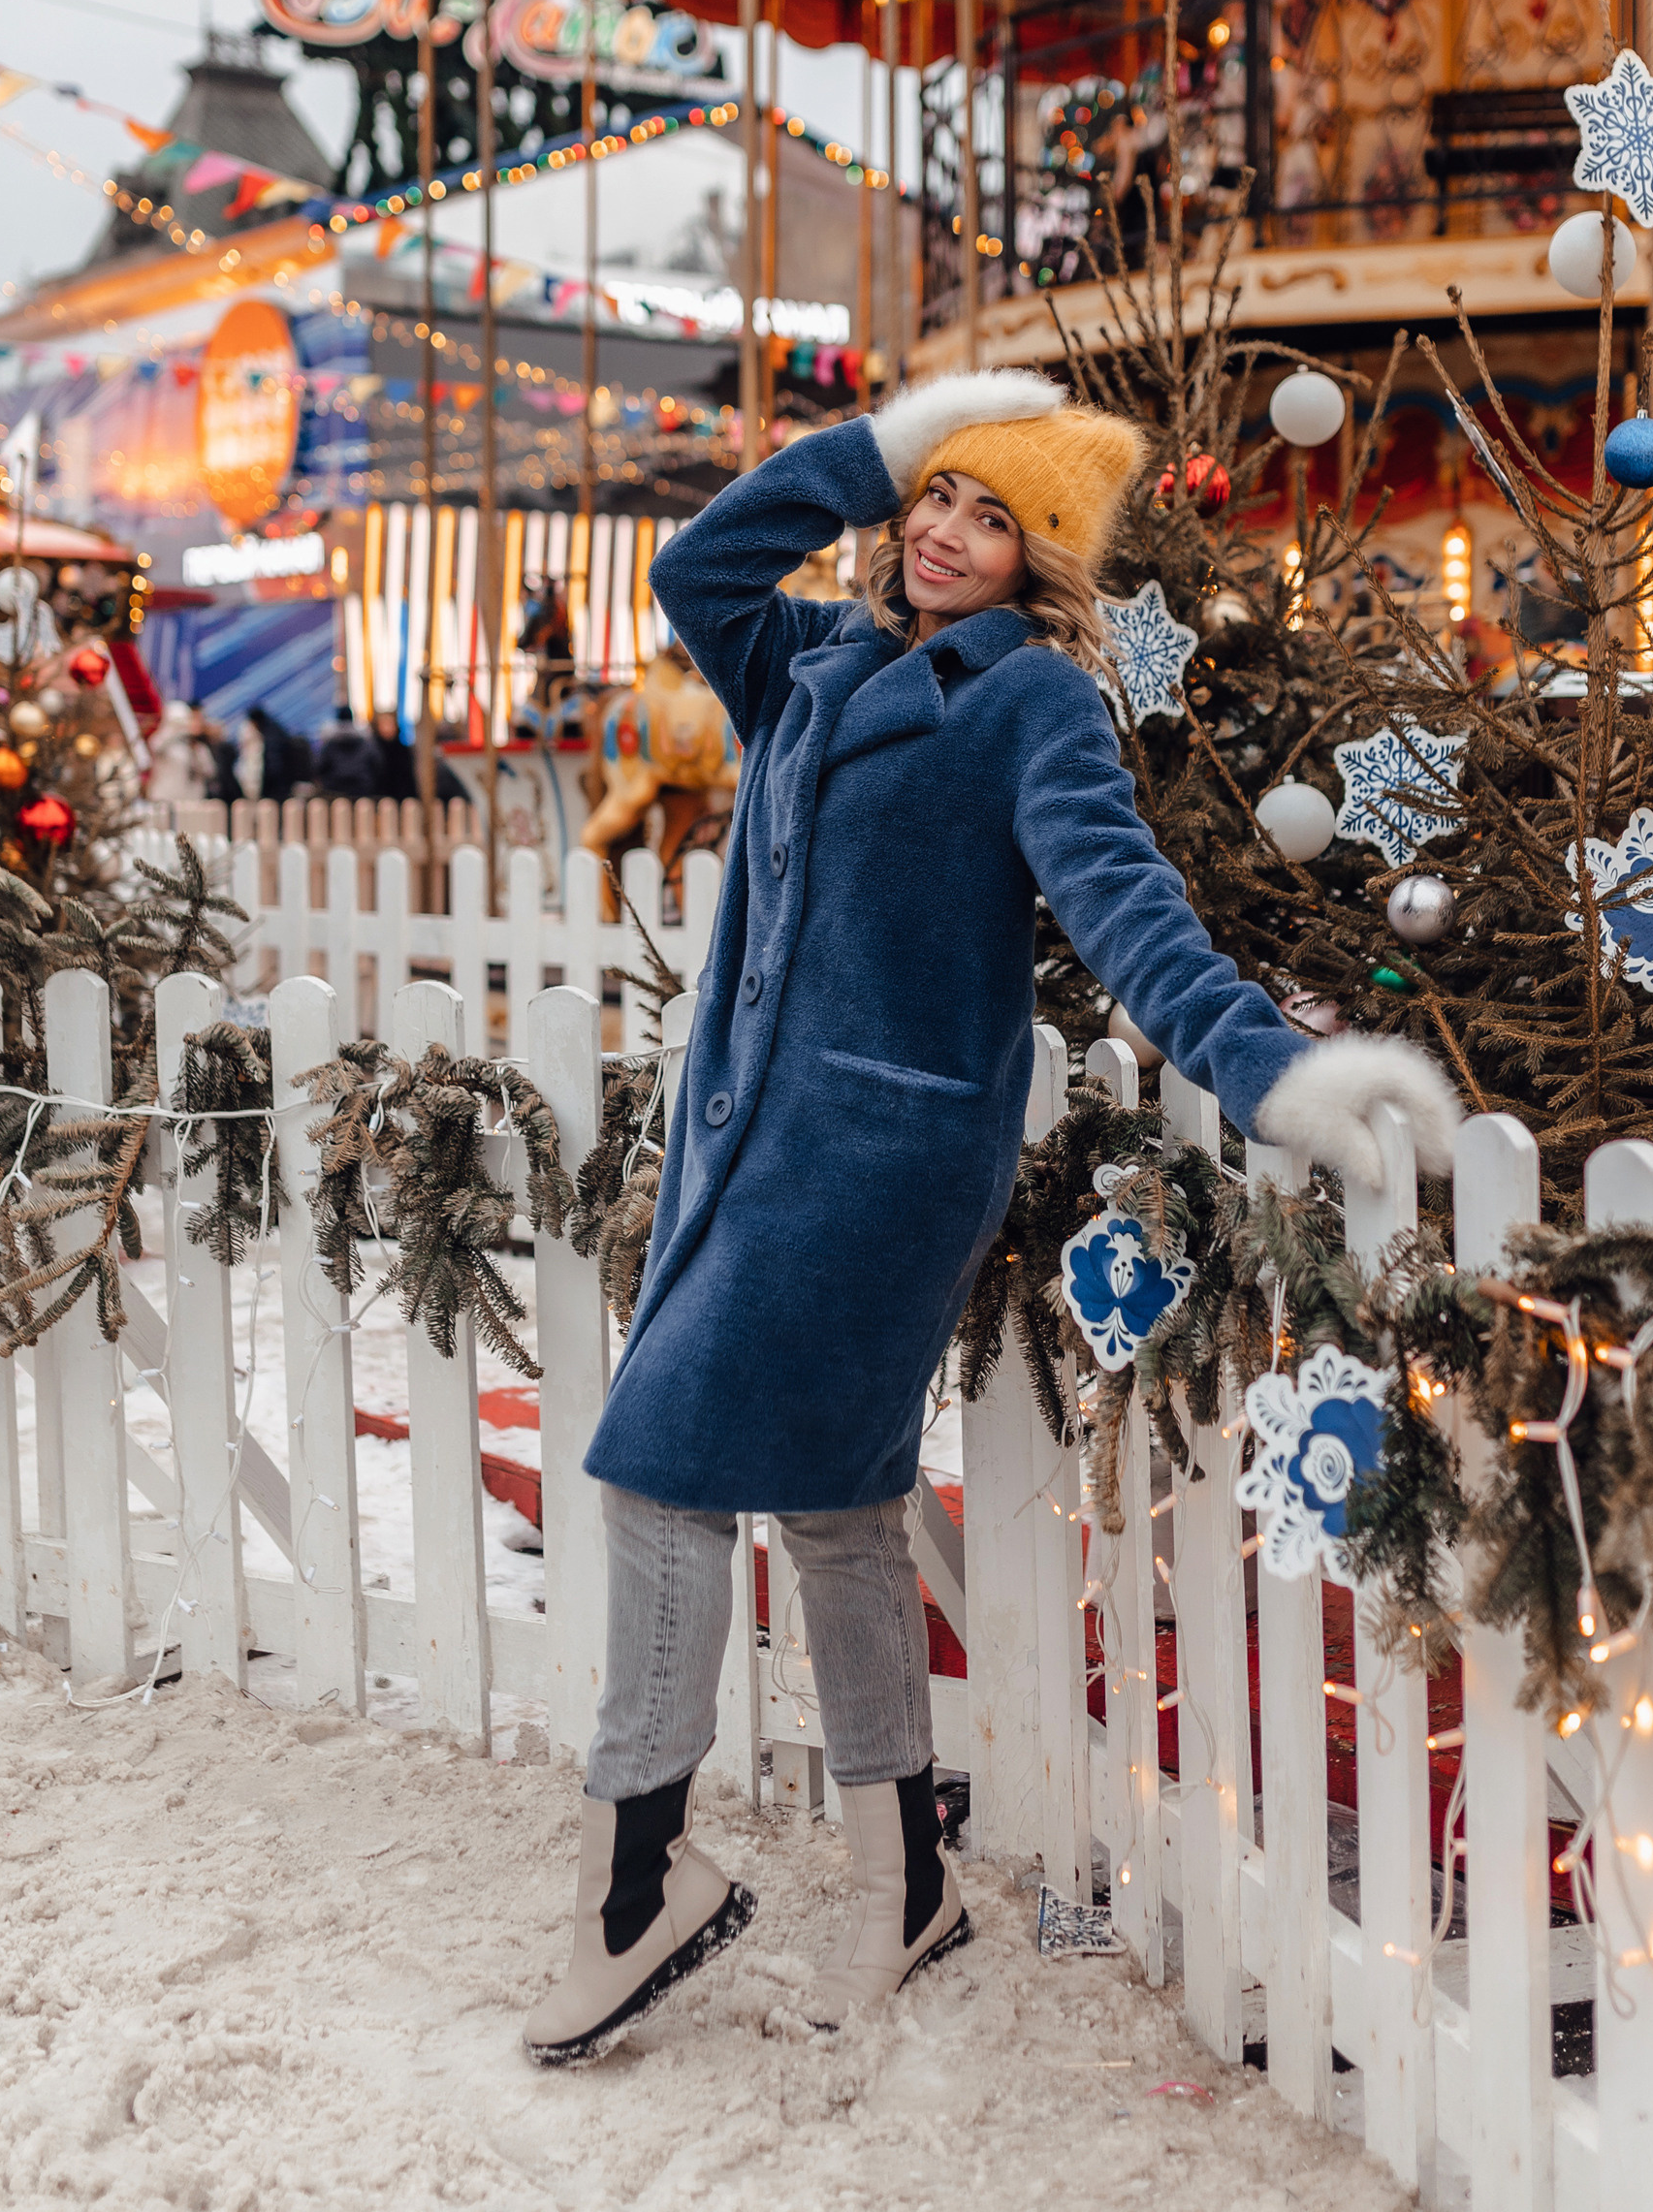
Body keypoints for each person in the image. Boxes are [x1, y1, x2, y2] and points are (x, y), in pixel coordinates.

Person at [523, 367, 1459, 2067]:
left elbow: (1130, 917)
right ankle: (902, 1882)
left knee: (656, 1474)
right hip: (747, 1156)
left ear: (1044, 569)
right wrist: (879, 442)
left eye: (996, 518)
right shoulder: (804, 664)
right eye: (936, 497)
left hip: (872, 1176)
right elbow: (698, 569)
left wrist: (1265, 1070)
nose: (949, 533)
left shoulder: (1029, 706)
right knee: (830, 1508)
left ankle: (631, 1887)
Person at [313, 704, 380, 802]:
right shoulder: (366, 742)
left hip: (334, 791)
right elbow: (377, 764)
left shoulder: (329, 744)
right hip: (362, 790)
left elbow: (320, 766)